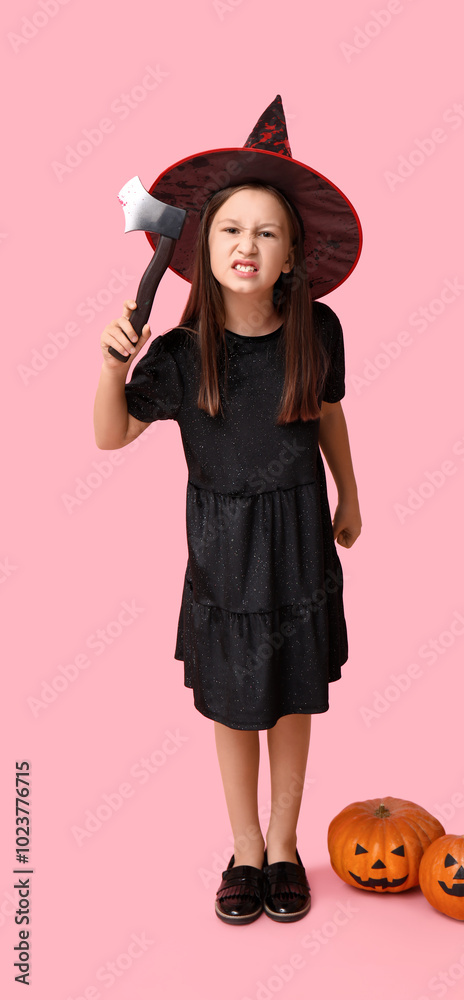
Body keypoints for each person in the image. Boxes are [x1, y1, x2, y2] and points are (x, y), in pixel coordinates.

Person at [93, 97, 362, 925]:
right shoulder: (181, 354)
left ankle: (284, 845)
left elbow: (326, 412)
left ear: (292, 255)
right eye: (231, 229)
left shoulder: (317, 330)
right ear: (201, 247)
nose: (247, 244)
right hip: (224, 552)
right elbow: (112, 435)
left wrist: (350, 494)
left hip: (298, 539)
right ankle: (244, 847)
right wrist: (111, 368)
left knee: (292, 696)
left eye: (266, 232)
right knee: (234, 702)